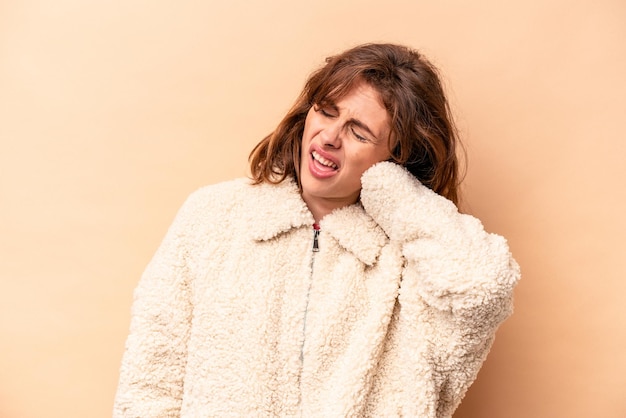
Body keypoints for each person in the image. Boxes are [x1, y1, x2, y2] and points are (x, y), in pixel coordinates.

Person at [113, 43, 520, 417]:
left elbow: (482, 290)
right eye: (326, 111)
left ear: (397, 154)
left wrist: (394, 193)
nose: (329, 138)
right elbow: (151, 378)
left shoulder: (413, 260)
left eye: (359, 132)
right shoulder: (213, 216)